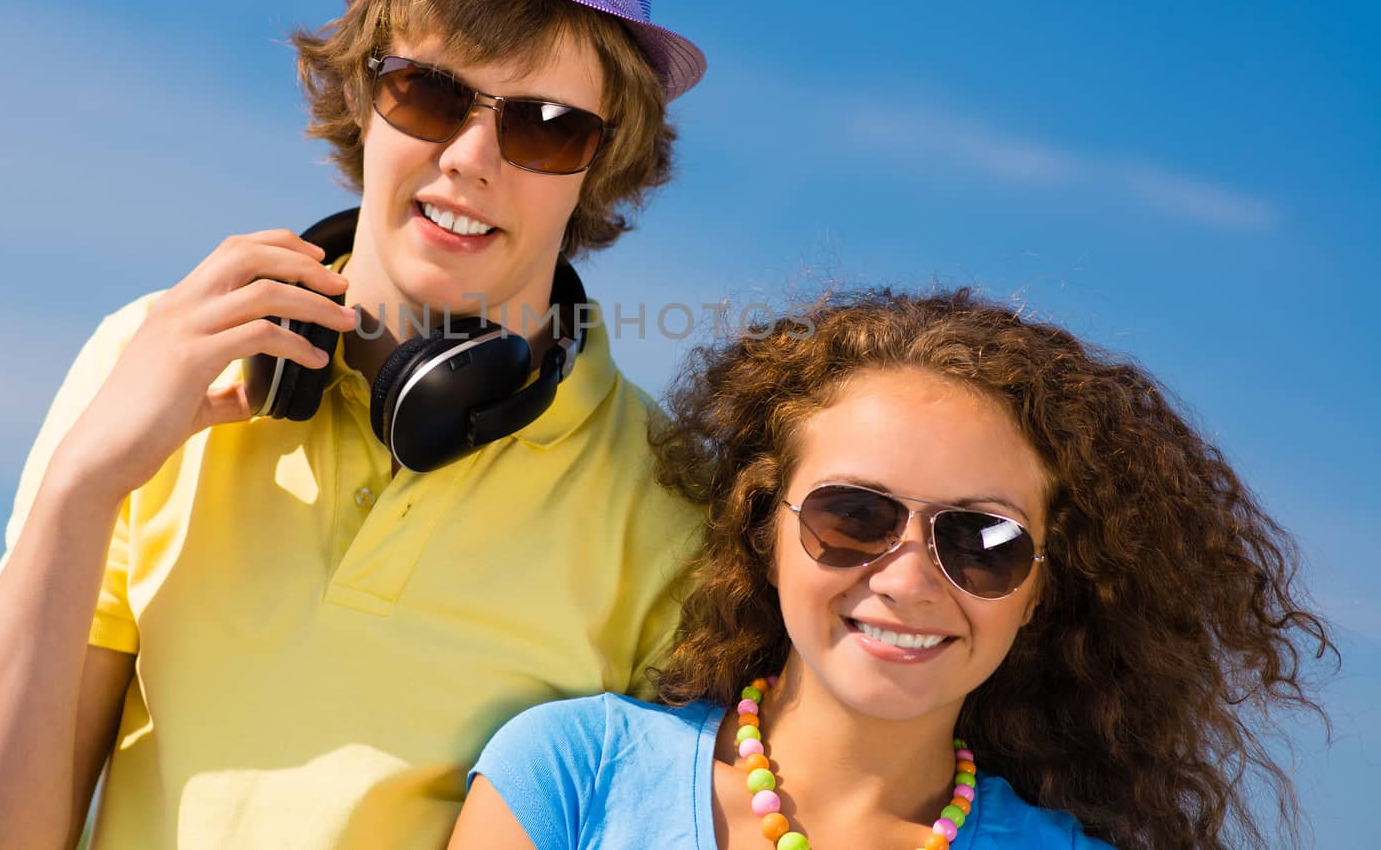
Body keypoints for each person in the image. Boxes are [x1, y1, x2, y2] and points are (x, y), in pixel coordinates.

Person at [0, 0, 707, 849]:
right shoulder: (144, 359)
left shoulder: (669, 508)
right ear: (365, 95)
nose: (470, 158)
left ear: (602, 158)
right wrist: (83, 486)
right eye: (430, 90)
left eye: (544, 122)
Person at [451, 289, 1335, 849]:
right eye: (855, 517)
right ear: (765, 527)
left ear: (1040, 591)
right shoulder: (573, 771)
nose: (908, 580)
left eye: (983, 540)